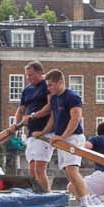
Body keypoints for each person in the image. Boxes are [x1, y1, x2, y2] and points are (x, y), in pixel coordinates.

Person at [40, 68, 89, 200]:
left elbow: (76, 118)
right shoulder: (55, 98)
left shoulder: (72, 97)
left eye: (50, 85)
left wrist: (63, 136)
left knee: (72, 171)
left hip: (74, 137)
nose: (48, 88)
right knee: (68, 173)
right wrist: (44, 132)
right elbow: (53, 118)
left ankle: (87, 200)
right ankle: (81, 199)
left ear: (60, 82)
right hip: (62, 138)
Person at [15, 61, 52, 191]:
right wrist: (15, 126)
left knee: (40, 169)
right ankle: (38, 195)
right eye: (27, 76)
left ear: (40, 73)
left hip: (44, 132)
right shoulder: (27, 90)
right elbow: (21, 110)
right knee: (31, 170)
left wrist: (32, 116)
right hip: (31, 133)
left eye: (31, 75)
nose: (29, 78)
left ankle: (47, 197)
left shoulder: (47, 85)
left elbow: (50, 107)